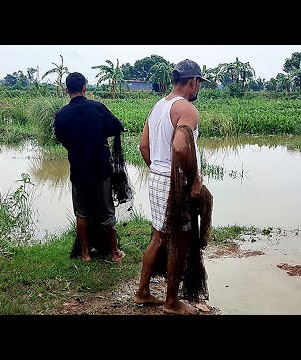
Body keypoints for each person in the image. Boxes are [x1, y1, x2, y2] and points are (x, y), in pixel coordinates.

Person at [134, 59, 210, 314]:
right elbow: (180, 147)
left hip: (157, 177)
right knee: (179, 240)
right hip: (174, 184)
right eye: (199, 83)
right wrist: (194, 179)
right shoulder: (186, 109)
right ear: (193, 81)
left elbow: (144, 147)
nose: (198, 88)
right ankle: (172, 302)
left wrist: (159, 171)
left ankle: (143, 292)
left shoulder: (158, 106)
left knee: (159, 236)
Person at [54, 72, 125, 263]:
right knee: (107, 211)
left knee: (81, 212)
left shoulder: (61, 115)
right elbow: (117, 126)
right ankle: (115, 252)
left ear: (67, 89)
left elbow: (62, 138)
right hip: (101, 168)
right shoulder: (97, 108)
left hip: (78, 169)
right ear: (84, 87)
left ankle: (85, 254)